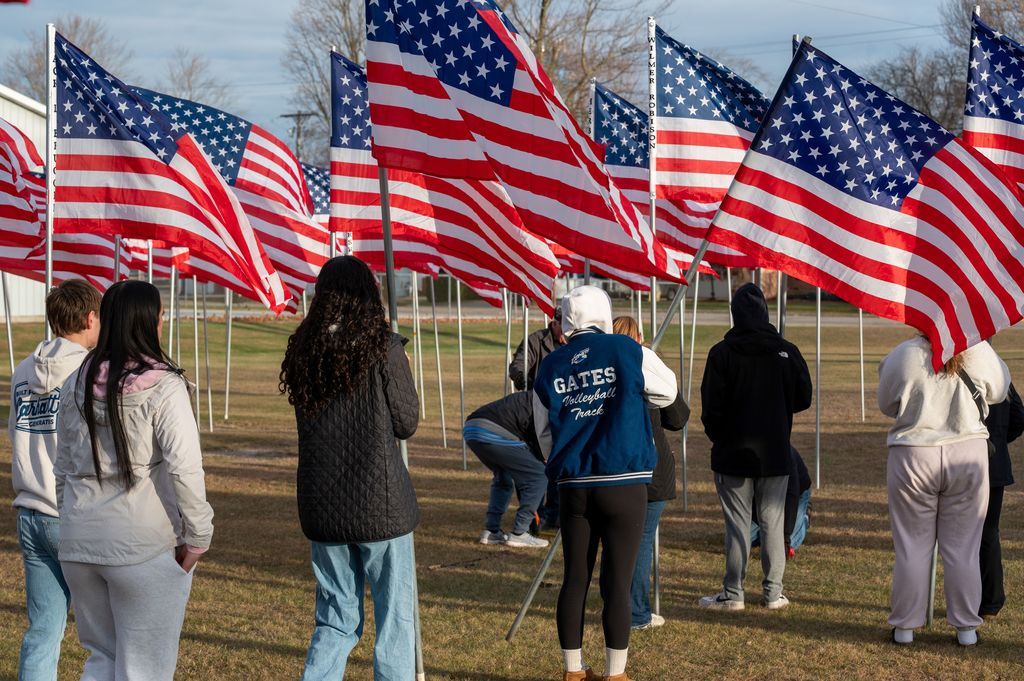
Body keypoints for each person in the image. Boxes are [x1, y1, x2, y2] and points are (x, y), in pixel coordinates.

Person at [54, 280, 213, 680]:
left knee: (102, 660)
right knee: (145, 670)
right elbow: (185, 468)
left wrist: (71, 521)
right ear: (150, 321)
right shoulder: (164, 384)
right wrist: (198, 537)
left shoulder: (77, 379)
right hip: (140, 547)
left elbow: (63, 467)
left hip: (80, 542)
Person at [280, 256, 420, 680]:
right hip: (381, 506)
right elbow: (407, 421)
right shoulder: (383, 347)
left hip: (325, 505)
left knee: (335, 618)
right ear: (368, 294)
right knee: (395, 620)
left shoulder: (305, 349)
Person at [533, 286, 677, 681]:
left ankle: (573, 672)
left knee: (575, 578)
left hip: (574, 484)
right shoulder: (627, 350)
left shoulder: (549, 365)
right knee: (617, 581)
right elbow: (669, 391)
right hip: (624, 481)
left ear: (565, 321)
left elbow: (544, 433)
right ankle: (616, 675)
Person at [878, 336, 1008, 646]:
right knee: (964, 547)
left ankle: (906, 627)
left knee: (912, 546)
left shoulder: (903, 354)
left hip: (913, 452)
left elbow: (886, 403)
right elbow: (1001, 390)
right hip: (967, 452)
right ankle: (966, 629)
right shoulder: (980, 352)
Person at [699, 283, 812, 611]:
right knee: (773, 524)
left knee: (737, 525)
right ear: (765, 312)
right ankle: (773, 592)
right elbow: (803, 397)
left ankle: (734, 594)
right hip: (775, 453)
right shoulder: (785, 351)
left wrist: (720, 437)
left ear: (734, 315)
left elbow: (711, 407)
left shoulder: (722, 353)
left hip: (732, 455)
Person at [10, 279, 100, 681]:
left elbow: (17, 430)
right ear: (90, 318)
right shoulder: (88, 371)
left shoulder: (23, 370)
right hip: (70, 512)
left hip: (29, 509)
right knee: (104, 637)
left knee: (43, 630)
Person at [611, 316, 689, 632]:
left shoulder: (606, 372)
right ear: (640, 338)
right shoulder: (648, 370)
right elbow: (679, 415)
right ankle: (637, 613)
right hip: (650, 469)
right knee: (640, 542)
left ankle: (621, 606)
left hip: (617, 468)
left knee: (619, 540)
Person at [464, 391, 549, 547]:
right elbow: (541, 442)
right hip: (494, 430)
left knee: (503, 477)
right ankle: (519, 532)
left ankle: (491, 532)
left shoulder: (535, 397)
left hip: (471, 428)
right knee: (538, 476)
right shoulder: (550, 405)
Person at [980, 382, 1024, 618]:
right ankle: (990, 602)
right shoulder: (999, 373)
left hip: (964, 463)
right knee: (988, 534)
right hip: (994, 463)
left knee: (962, 538)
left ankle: (979, 601)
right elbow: (1018, 417)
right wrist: (997, 442)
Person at [751, 447, 812, 558]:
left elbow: (791, 495)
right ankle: (768, 532)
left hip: (796, 495)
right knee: (743, 539)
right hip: (763, 500)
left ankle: (805, 519)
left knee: (789, 542)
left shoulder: (785, 455)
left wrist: (785, 538)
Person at [509, 304, 566, 390]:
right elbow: (520, 363)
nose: (567, 331)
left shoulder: (577, 340)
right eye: (563, 326)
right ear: (554, 323)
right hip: (540, 398)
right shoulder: (535, 340)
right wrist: (519, 376)